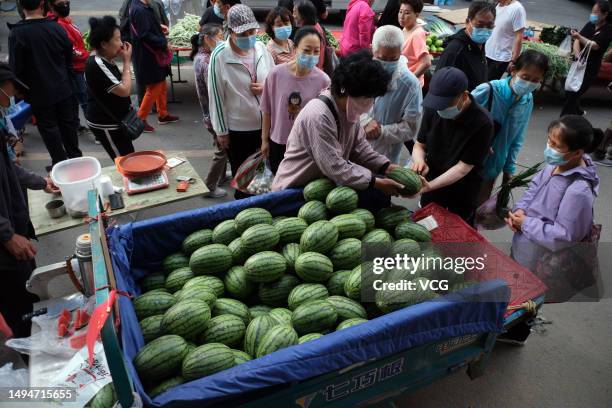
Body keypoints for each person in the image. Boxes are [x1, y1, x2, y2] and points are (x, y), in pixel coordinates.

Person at [272, 50, 407, 210]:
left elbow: (360, 148)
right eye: (367, 97)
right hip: (293, 193)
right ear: (344, 89)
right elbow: (335, 166)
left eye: (372, 98)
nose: (370, 103)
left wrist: (386, 167)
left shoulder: (349, 111)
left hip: (319, 192)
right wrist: (376, 183)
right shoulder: (319, 115)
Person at [508, 116, 602, 301]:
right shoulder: (556, 164)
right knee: (512, 291)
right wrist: (520, 210)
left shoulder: (578, 191)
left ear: (577, 153)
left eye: (556, 145)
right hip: (524, 246)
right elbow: (534, 188)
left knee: (524, 304)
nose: (549, 148)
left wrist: (525, 224)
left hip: (540, 260)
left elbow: (565, 236)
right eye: (548, 141)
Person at [0, 64, 60, 338]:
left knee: (30, 288)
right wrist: (7, 236)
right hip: (4, 244)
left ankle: (38, 334)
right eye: (10, 90)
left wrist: (40, 182)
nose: (12, 97)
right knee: (18, 302)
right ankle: (31, 355)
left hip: (14, 226)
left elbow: (8, 168)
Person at [411, 67, 494, 225]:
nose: (440, 109)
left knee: (454, 232)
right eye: (438, 105)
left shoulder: (483, 123)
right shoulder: (433, 108)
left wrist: (429, 186)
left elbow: (463, 167)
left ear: (464, 96)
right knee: (426, 227)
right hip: (432, 181)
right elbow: (419, 145)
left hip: (462, 190)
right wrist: (419, 161)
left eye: (445, 104)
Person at [208, 5, 275, 199]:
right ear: (231, 32)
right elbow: (216, 96)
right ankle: (244, 212)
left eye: (251, 31)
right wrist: (221, 131)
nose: (249, 36)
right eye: (242, 33)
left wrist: (264, 88)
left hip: (265, 126)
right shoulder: (219, 56)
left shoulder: (261, 48)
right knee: (244, 179)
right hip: (238, 130)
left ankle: (262, 211)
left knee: (265, 176)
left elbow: (272, 80)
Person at [8, 0, 82, 171]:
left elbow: (16, 69)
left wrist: (20, 92)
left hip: (38, 93)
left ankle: (60, 164)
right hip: (63, 88)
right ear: (42, 4)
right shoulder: (56, 27)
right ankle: (76, 160)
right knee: (67, 125)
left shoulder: (18, 34)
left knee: (49, 129)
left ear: (21, 6)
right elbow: (68, 58)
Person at [472, 49, 548, 205]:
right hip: (468, 161)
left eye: (535, 80)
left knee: (478, 207)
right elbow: (458, 120)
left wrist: (509, 169)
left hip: (493, 165)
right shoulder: (489, 90)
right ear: (513, 70)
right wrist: (478, 142)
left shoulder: (527, 100)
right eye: (525, 77)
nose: (529, 83)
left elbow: (517, 137)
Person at [261, 27, 331, 173]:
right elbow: (267, 110)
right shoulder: (276, 74)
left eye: (316, 51)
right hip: (278, 143)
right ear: (295, 48)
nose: (311, 55)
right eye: (306, 50)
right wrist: (264, 140)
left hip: (306, 147)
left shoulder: (324, 81)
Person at [362, 25, 422, 166]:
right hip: (354, 152)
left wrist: (381, 132)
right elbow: (345, 103)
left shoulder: (410, 85)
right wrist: (363, 121)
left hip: (384, 158)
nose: (387, 63)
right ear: (372, 49)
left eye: (393, 59)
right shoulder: (361, 71)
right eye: (382, 58)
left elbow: (411, 127)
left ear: (400, 53)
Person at [85, 17, 136, 160]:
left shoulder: (105, 58)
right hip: (106, 123)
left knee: (129, 156)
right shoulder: (97, 63)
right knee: (122, 161)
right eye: (117, 39)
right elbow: (125, 90)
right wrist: (127, 61)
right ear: (104, 44)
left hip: (116, 120)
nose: (121, 44)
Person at [191, 24, 229, 198]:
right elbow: (215, 91)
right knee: (222, 150)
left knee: (221, 147)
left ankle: (220, 177)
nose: (222, 40)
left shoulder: (201, 56)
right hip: (214, 115)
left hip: (208, 114)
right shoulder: (207, 61)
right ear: (207, 38)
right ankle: (210, 186)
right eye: (220, 36)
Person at [130, 0, 179, 133]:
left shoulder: (141, 6)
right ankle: (140, 119)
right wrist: (164, 44)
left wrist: (158, 27)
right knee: (154, 88)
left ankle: (163, 115)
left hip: (150, 54)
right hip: (148, 56)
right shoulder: (139, 10)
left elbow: (146, 28)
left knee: (161, 84)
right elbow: (144, 35)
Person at [48, 0, 92, 137]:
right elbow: (71, 50)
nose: (66, 4)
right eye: (61, 2)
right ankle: (97, 132)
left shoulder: (64, 20)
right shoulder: (58, 24)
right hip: (75, 68)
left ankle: (75, 126)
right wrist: (88, 55)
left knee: (74, 99)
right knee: (84, 99)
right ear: (51, 6)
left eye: (66, 1)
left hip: (77, 67)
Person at [560, 1, 612, 116]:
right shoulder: (590, 24)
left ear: (605, 14)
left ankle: (563, 118)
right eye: (592, 12)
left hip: (591, 67)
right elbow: (577, 40)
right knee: (569, 88)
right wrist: (578, 56)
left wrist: (578, 36)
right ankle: (578, 112)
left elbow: (595, 45)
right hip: (579, 62)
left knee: (575, 92)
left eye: (596, 12)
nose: (592, 14)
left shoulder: (608, 29)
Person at [436, 1, 496, 91]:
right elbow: (439, 84)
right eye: (480, 25)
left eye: (489, 25)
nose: (485, 29)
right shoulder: (455, 49)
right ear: (468, 22)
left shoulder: (479, 44)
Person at [485, 0, 526, 81]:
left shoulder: (517, 9)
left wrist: (513, 60)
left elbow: (519, 36)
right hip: (487, 53)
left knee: (487, 85)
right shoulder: (498, 5)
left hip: (500, 58)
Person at [398, 0, 431, 87]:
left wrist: (410, 80)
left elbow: (426, 63)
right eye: (400, 12)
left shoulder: (417, 34)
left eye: (407, 13)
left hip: (409, 85)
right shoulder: (406, 28)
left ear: (416, 15)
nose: (402, 16)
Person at [293, 1, 326, 70]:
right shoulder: (315, 26)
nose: (293, 16)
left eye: (295, 12)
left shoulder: (309, 32)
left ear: (303, 15)